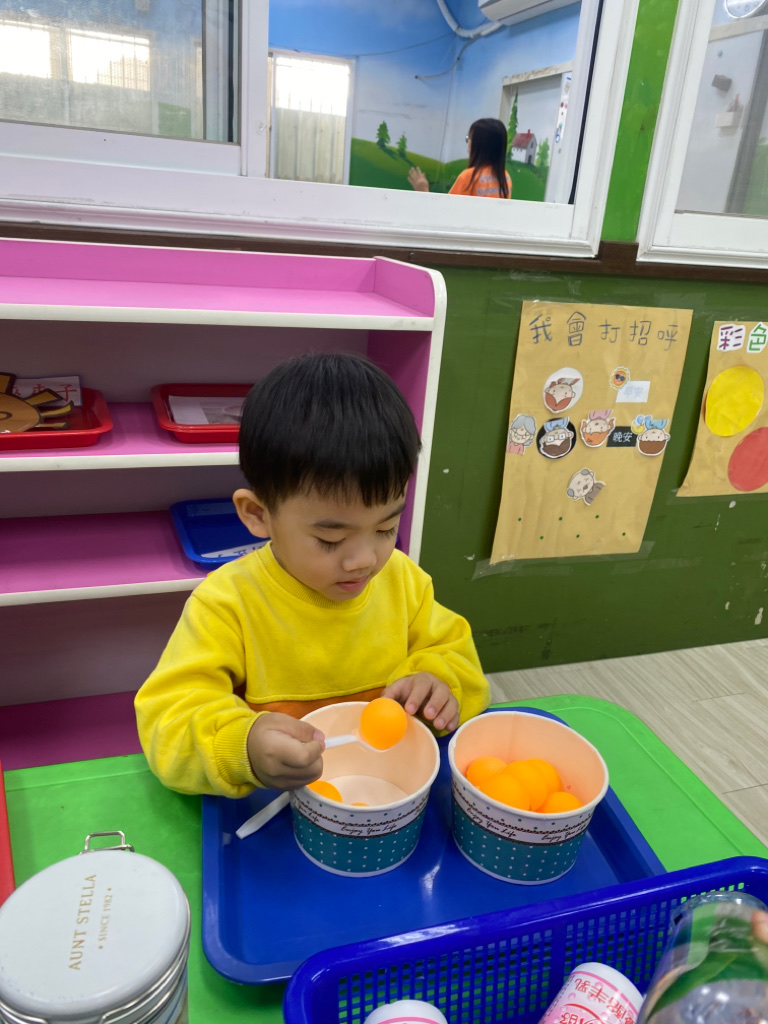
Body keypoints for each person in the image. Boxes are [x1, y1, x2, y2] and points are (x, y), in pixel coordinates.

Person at [135, 352, 490, 798]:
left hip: (386, 793)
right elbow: (167, 722)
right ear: (258, 515)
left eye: (386, 528)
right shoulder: (227, 602)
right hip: (274, 804)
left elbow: (460, 662)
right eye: (330, 538)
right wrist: (242, 747)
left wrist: (438, 684)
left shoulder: (404, 582)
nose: (364, 560)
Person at [408, 118, 512, 199]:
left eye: (468, 138)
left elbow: (447, 212)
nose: (467, 142)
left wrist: (423, 191)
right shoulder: (505, 177)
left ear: (477, 144)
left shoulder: (468, 177)